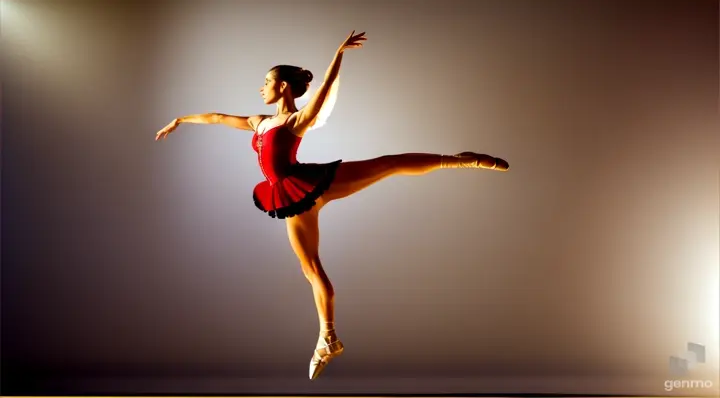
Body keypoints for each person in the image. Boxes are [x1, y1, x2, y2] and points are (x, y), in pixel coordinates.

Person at [154, 30, 509, 380]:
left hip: (313, 182)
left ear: (283, 87)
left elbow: (323, 93)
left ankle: (463, 160)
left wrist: (338, 55)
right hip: (291, 199)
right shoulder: (258, 123)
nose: (260, 88)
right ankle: (328, 338)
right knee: (311, 271)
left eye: (266, 82)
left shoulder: (295, 121)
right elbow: (217, 117)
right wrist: (182, 120)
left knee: (388, 164)